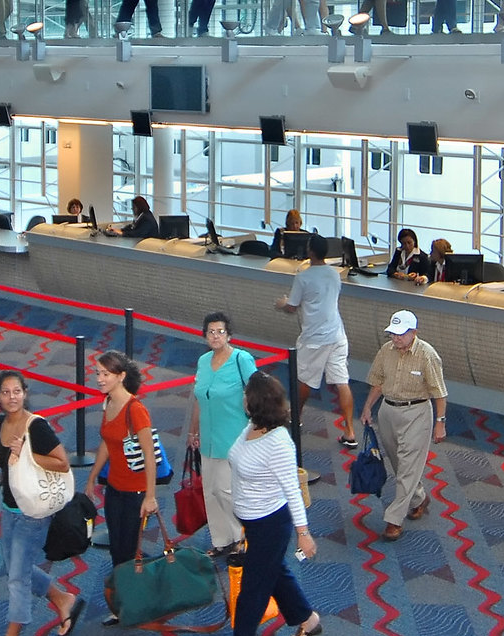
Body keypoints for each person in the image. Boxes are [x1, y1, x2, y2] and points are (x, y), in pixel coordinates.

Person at [204, 372, 320, 636]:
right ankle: (308, 620)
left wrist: (303, 534)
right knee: (275, 572)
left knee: (253, 590)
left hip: (271, 523)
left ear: (255, 401)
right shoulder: (252, 426)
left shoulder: (279, 442)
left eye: (246, 394)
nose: (242, 398)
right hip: (253, 523)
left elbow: (292, 489)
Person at [0, 369, 85, 636]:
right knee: (13, 569)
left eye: (16, 391)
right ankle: (63, 599)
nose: (11, 397)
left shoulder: (37, 428)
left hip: (33, 512)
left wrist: (29, 454)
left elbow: (62, 463)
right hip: (9, 509)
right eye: (5, 392)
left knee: (17, 577)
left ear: (25, 393)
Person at [362, 310, 448, 541]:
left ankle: (394, 520)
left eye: (401, 334)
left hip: (417, 413)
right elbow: (378, 382)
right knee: (400, 464)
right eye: (393, 333)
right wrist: (368, 407)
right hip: (388, 411)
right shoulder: (385, 351)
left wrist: (440, 423)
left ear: (414, 333)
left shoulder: (427, 355)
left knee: (408, 465)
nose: (396, 338)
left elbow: (439, 393)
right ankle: (419, 497)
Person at [90, 352, 161, 623]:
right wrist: (93, 477)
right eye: (98, 373)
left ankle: (136, 605)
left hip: (136, 493)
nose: (99, 379)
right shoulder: (107, 403)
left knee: (130, 550)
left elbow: (149, 456)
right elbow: (108, 443)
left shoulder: (136, 410)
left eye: (105, 374)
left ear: (121, 377)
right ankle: (123, 605)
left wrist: (151, 496)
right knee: (118, 549)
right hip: (114, 489)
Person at [275, 235, 358, 448]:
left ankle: (296, 417)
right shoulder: (334, 274)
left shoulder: (303, 277)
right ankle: (349, 430)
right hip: (337, 335)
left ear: (310, 251)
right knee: (342, 381)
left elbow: (292, 306)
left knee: (304, 380)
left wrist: (282, 303)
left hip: (314, 338)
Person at [187, 312, 256, 554]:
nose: (215, 336)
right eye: (211, 332)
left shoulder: (241, 359)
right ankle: (221, 540)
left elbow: (257, 391)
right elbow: (199, 398)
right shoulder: (203, 361)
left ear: (229, 335)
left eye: (220, 331)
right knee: (211, 491)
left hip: (234, 436)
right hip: (208, 436)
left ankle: (240, 537)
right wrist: (193, 429)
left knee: (228, 490)